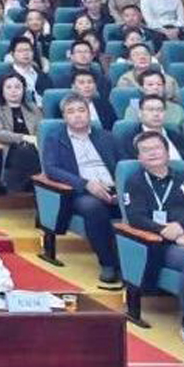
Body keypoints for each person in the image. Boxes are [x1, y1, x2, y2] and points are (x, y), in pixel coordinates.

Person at [119, 131, 184, 347]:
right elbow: (136, 218)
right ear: (139, 158)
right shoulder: (135, 182)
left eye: (157, 148)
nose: (152, 153)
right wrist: (166, 232)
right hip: (161, 243)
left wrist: (181, 226)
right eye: (146, 150)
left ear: (167, 152)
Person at [40, 95, 128, 287]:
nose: (77, 115)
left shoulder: (107, 136)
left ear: (89, 113)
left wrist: (121, 190)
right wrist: (86, 184)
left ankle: (135, 269)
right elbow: (52, 169)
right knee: (93, 207)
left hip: (113, 187)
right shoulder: (55, 138)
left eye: (81, 110)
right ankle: (108, 263)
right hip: (79, 192)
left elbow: (124, 165)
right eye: (71, 112)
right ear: (64, 117)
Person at [0, 72, 42, 193]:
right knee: (25, 151)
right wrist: (24, 137)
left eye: (17, 87)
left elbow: (41, 129)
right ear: (2, 90)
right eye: (9, 87)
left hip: (35, 146)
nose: (13, 91)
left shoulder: (33, 108)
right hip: (9, 149)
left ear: (23, 90)